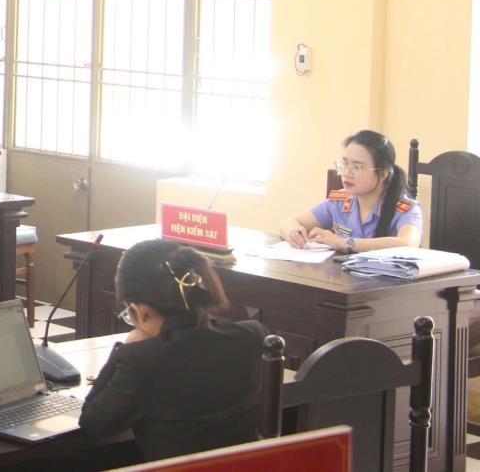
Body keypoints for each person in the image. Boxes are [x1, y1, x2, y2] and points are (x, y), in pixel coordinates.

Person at [78, 239, 265, 461]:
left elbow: (94, 422)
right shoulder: (251, 335)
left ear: (141, 310)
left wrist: (125, 348)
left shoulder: (142, 360)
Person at [280, 130, 422, 253]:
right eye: (345, 164)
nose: (347, 173)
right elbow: (289, 222)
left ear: (383, 173)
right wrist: (293, 232)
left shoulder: (405, 208)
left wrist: (344, 243)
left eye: (357, 167)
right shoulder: (340, 201)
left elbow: (408, 244)